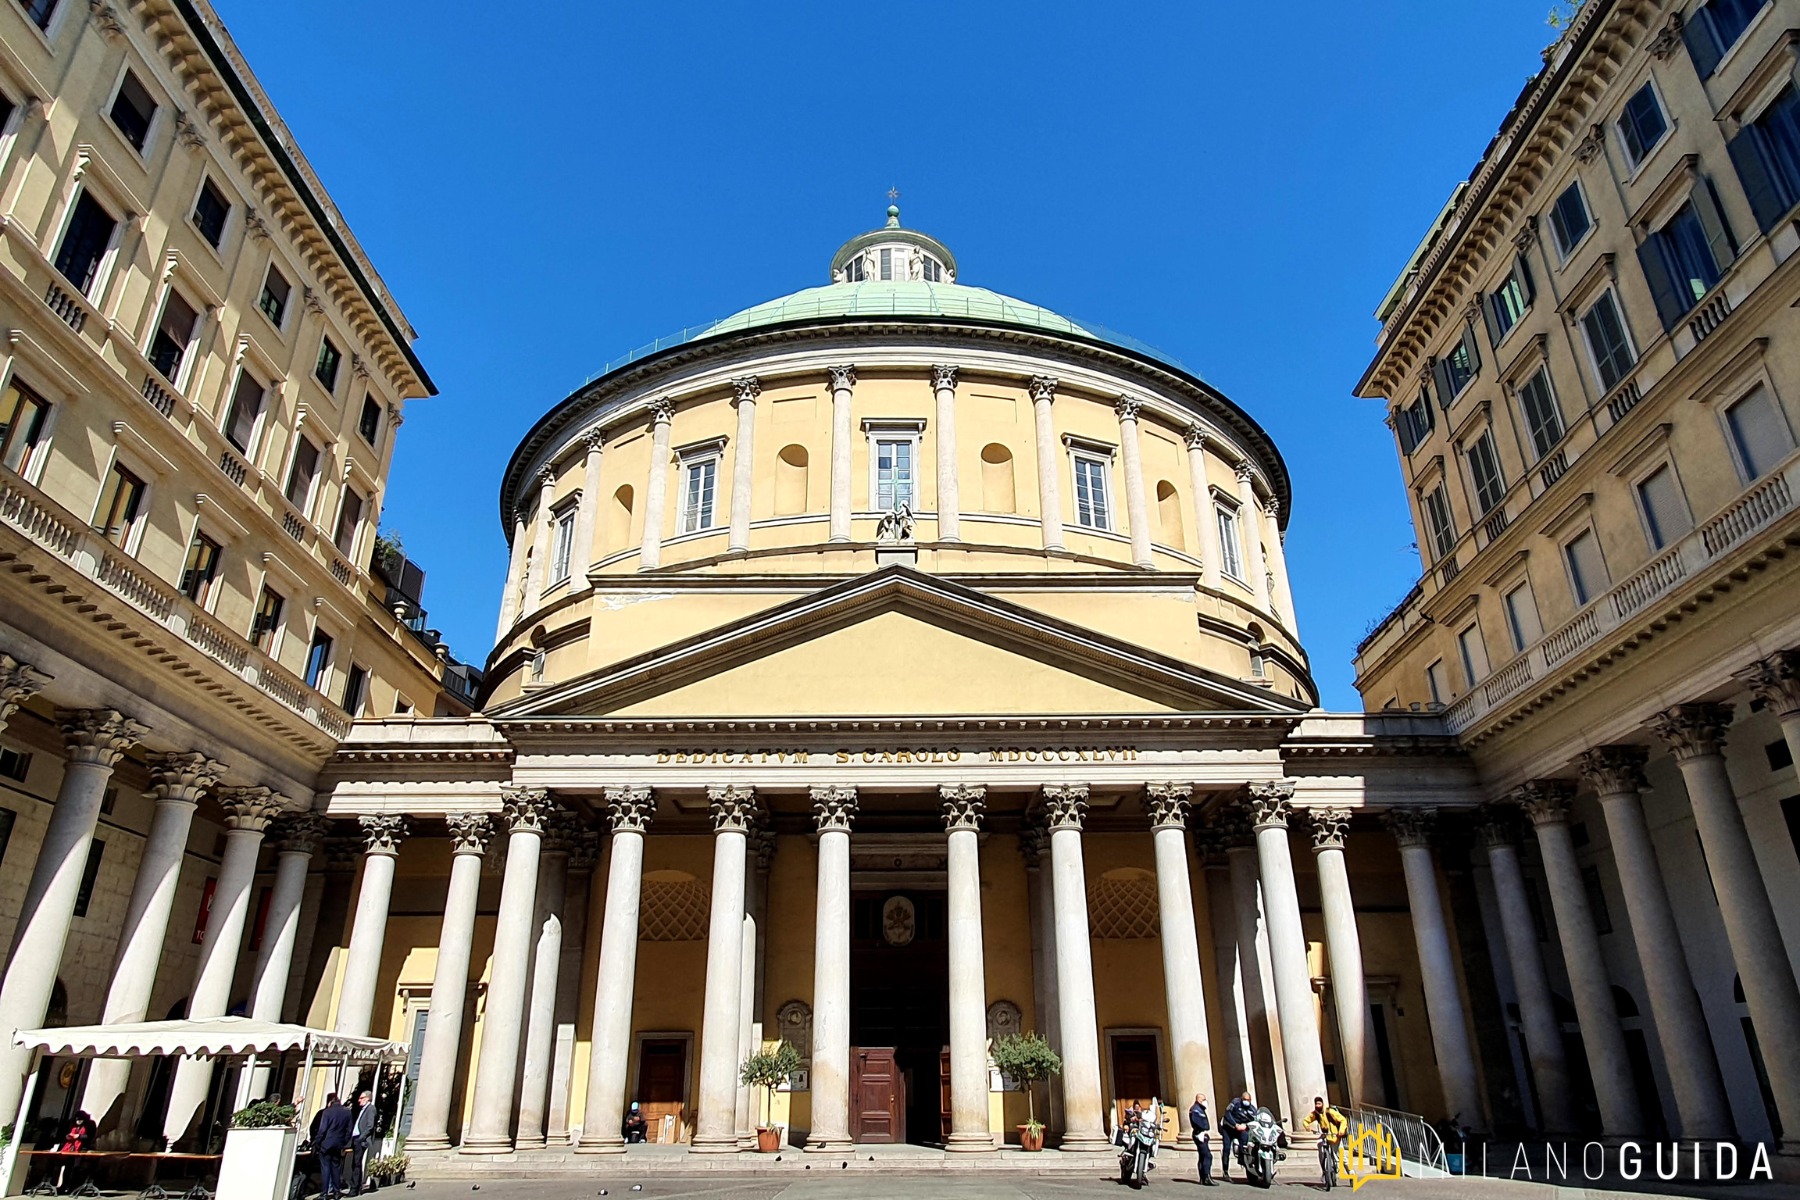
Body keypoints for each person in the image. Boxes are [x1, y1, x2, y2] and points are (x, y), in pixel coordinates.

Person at [313, 1092, 354, 1200]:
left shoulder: (327, 1112)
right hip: (338, 1144)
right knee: (336, 1167)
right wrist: (344, 1142)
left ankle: (324, 1193)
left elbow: (322, 1130)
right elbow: (349, 1129)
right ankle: (337, 1192)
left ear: (330, 1102)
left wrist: (317, 1143)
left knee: (325, 1168)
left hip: (326, 1144)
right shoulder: (347, 1112)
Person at [1303, 1096, 1349, 1188]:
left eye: (1319, 1103)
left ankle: (1351, 1174)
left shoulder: (1329, 1112)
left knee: (1342, 1158)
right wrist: (1307, 1126)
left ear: (1322, 1104)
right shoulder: (1315, 1114)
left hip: (1335, 1136)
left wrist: (1341, 1131)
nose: (1318, 1105)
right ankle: (1325, 1171)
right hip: (1325, 1136)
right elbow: (1306, 1120)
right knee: (1320, 1147)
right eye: (1316, 1104)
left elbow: (1343, 1120)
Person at [1221, 1092, 1259, 1182]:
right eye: (1244, 1099)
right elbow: (1227, 1114)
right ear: (1241, 1099)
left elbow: (1255, 1120)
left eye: (1248, 1100)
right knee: (1226, 1148)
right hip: (1229, 1127)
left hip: (1242, 1128)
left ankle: (1244, 1161)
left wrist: (1246, 1125)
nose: (1246, 1101)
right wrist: (1235, 1125)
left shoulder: (1252, 1109)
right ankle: (1225, 1171)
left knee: (1245, 1144)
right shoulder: (1235, 1102)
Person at [350, 1090, 377, 1194]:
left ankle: (355, 1189)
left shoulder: (371, 1109)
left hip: (361, 1140)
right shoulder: (363, 1109)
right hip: (356, 1138)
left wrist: (361, 1137)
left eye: (361, 1098)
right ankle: (356, 1186)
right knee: (355, 1163)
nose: (359, 1100)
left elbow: (370, 1126)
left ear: (367, 1099)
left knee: (356, 1163)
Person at [1189, 1093, 1215, 1186]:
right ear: (1199, 1100)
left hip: (1201, 1133)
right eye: (1203, 1099)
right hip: (1199, 1134)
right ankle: (1206, 1177)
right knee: (1208, 1156)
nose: (1205, 1101)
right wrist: (1204, 1129)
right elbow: (1197, 1122)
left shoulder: (1200, 1109)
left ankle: (1203, 1178)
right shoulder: (1196, 1110)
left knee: (1202, 1156)